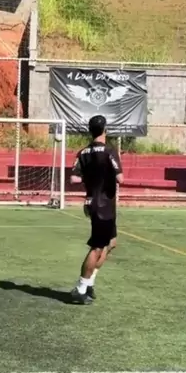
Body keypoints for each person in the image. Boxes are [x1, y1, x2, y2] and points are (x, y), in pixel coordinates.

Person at [70, 115, 124, 304]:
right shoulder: (109, 150)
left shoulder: (83, 152)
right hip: (104, 205)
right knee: (97, 247)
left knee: (111, 243)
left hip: (93, 202)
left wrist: (91, 178)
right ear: (105, 130)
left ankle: (89, 283)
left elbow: (74, 179)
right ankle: (80, 288)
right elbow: (121, 178)